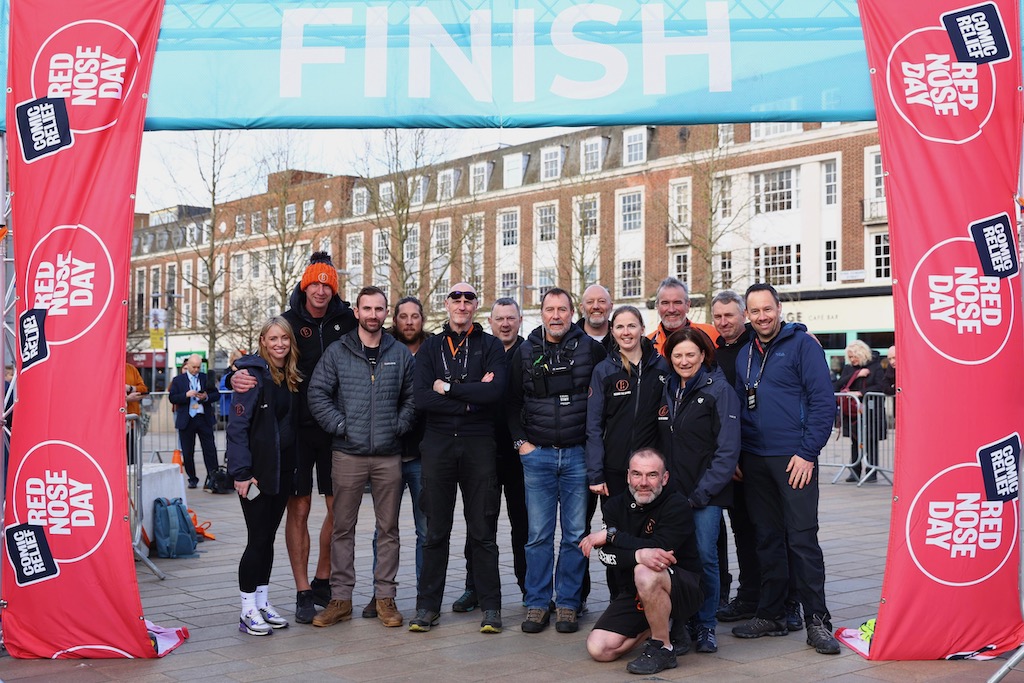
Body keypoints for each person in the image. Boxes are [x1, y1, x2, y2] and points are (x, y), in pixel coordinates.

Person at [232, 251, 356, 623]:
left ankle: (322, 578)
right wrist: (231, 375)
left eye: (327, 284)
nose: (320, 290)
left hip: (336, 429)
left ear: (334, 289)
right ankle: (302, 590)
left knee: (339, 510)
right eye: (314, 283)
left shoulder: (347, 320)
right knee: (298, 509)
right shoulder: (286, 323)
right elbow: (255, 362)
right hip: (298, 433)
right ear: (304, 286)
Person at [731, 283, 841, 655]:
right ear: (747, 314)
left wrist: (808, 452)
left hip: (794, 459)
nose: (762, 316)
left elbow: (824, 402)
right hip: (755, 461)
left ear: (779, 308)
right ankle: (773, 613)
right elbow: (740, 410)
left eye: (767, 309)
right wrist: (739, 456)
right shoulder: (744, 353)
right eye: (755, 311)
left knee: (802, 540)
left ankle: (817, 621)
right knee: (767, 539)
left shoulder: (803, 346)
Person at [306, 286, 415, 629]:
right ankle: (340, 599)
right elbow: (317, 393)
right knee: (342, 528)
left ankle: (385, 597)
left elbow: (413, 398)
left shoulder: (399, 353)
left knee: (389, 529)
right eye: (366, 308)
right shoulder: (338, 352)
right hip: (347, 453)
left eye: (379, 309)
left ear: (386, 313)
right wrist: (341, 425)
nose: (372, 314)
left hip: (388, 455)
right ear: (356, 311)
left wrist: (397, 426)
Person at [409, 283, 506, 634]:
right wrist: (471, 398)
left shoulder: (490, 345)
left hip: (479, 442)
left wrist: (448, 389)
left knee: (482, 529)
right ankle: (426, 607)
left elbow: (494, 392)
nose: (462, 304)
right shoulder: (431, 347)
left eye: (469, 299)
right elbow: (421, 397)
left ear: (476, 305)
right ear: (446, 304)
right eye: (456, 298)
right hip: (437, 443)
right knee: (436, 530)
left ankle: (491, 607)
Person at [509, 287, 607, 634]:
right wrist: (522, 443)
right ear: (542, 312)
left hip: (578, 455)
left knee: (575, 534)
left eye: (562, 309)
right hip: (538, 456)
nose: (556, 316)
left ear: (571, 312)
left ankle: (567, 603)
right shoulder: (524, 351)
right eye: (550, 309)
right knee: (537, 535)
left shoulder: (593, 351)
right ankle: (537, 603)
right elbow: (510, 402)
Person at [580, 448, 704, 676]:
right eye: (637, 474)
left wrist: (613, 536)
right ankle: (659, 623)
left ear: (664, 478)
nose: (643, 482)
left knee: (646, 571)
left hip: (682, 589)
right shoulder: (614, 507)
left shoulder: (677, 505)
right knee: (599, 649)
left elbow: (659, 554)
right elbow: (607, 556)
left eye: (652, 475)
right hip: (635, 592)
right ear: (628, 476)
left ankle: (662, 648)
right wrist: (637, 555)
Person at [658, 327, 740, 654]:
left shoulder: (719, 390)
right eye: (677, 355)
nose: (684, 360)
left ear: (703, 355)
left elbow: (727, 450)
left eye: (690, 354)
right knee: (677, 561)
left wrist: (701, 494)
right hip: (673, 494)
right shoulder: (666, 389)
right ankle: (684, 621)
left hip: (705, 494)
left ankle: (707, 625)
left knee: (706, 558)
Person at [451, 297, 530, 612]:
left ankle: (530, 590)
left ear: (520, 320)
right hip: (481, 450)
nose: (506, 324)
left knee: (523, 525)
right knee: (479, 524)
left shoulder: (528, 353)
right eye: (500, 319)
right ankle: (475, 588)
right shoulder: (477, 351)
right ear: (491, 320)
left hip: (519, 454)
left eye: (511, 318)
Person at [226, 317, 301, 636]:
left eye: (284, 338)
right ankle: (246, 610)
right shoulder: (252, 377)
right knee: (256, 539)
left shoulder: (290, 376)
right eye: (273, 339)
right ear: (262, 341)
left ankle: (262, 601)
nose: (279, 344)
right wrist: (241, 472)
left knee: (268, 538)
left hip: (281, 472)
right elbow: (237, 427)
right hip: (254, 476)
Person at [363, 296, 429, 620]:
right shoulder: (382, 350)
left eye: (414, 316)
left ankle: (424, 596)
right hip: (387, 456)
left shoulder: (432, 351)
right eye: (403, 316)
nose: (409, 322)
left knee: (426, 530)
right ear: (394, 319)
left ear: (422, 320)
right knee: (383, 530)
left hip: (422, 457)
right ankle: (381, 594)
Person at [710, 291, 759, 624]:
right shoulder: (714, 354)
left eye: (730, 315)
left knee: (770, 532)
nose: (724, 322)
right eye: (718, 317)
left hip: (759, 455)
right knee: (741, 530)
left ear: (744, 314)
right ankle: (748, 596)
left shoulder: (760, 346)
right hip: (732, 460)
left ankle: (782, 600)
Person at [586, 305, 669, 499]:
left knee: (650, 528)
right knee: (616, 528)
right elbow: (594, 426)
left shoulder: (661, 367)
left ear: (642, 328)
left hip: (651, 470)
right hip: (615, 468)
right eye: (620, 327)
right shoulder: (603, 371)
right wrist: (596, 473)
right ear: (612, 331)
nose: (626, 332)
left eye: (631, 326)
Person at [834, 340, 887, 483]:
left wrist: (862, 392)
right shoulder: (848, 368)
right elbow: (837, 385)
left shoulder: (875, 367)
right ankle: (854, 472)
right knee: (855, 441)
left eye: (854, 356)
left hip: (871, 411)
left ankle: (872, 472)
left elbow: (880, 386)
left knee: (871, 441)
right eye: (850, 357)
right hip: (851, 413)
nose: (852, 359)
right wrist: (856, 375)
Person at [168, 354, 220, 489]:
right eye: (193, 367)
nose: (196, 370)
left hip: (203, 418)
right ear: (187, 365)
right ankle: (192, 478)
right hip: (187, 419)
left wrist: (206, 397)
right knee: (188, 451)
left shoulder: (205, 377)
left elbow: (216, 394)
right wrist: (186, 395)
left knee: (210, 449)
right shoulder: (178, 380)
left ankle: (213, 476)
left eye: (198, 367)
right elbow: (172, 398)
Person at [646, 277, 717, 356]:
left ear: (687, 305)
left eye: (677, 302)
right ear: (657, 306)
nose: (671, 310)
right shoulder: (647, 344)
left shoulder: (711, 334)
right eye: (665, 303)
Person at [576, 284, 615, 353]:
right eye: (590, 302)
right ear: (581, 308)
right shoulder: (567, 340)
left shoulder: (621, 341)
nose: (596, 306)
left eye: (602, 301)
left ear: (611, 307)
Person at [125, 362, 148, 465]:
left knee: (131, 458)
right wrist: (125, 399)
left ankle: (131, 479)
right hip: (114, 422)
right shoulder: (105, 368)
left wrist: (130, 388)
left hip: (131, 421)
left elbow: (143, 389)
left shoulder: (130, 368)